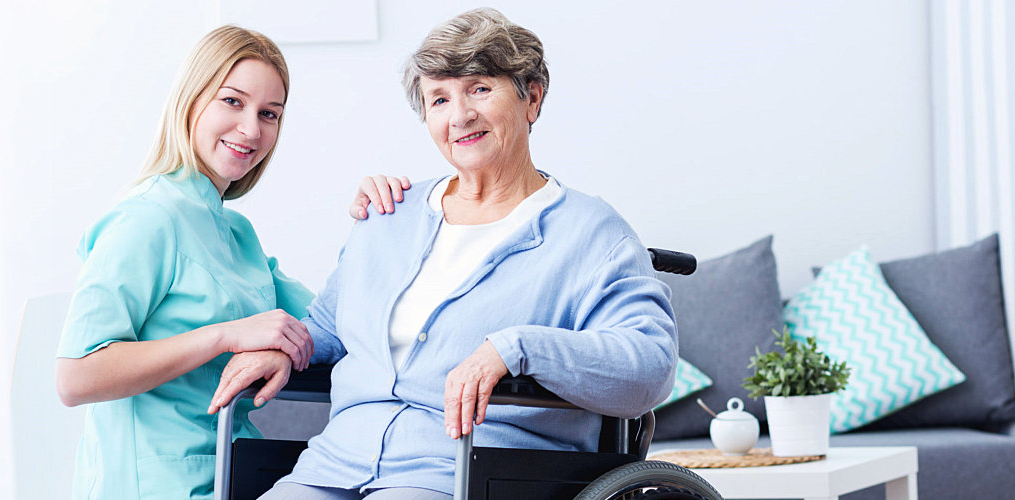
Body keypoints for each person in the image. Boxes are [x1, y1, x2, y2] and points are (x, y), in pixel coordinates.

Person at [210, 9, 678, 500]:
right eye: (439, 98)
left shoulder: (590, 234)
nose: (459, 116)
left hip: (467, 475)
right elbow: (330, 328)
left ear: (532, 98)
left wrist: (516, 348)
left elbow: (649, 366)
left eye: (479, 88)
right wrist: (280, 343)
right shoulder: (390, 213)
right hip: (333, 465)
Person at [53, 25, 406, 499]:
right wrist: (224, 336)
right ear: (192, 100)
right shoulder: (146, 219)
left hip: (236, 472)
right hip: (154, 484)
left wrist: (380, 221)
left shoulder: (237, 234)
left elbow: (334, 323)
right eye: (233, 102)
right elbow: (76, 377)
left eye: (269, 113)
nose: (251, 129)